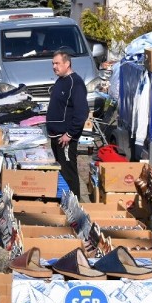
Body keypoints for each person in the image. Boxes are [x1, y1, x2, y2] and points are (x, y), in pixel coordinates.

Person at [46, 50, 88, 200]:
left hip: (65, 138)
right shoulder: (60, 81)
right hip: (55, 135)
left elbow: (81, 113)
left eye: (57, 63)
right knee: (60, 170)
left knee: (69, 172)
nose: (54, 67)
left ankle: (75, 204)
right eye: (53, 63)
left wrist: (69, 134)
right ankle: (63, 200)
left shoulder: (75, 83)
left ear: (67, 63)